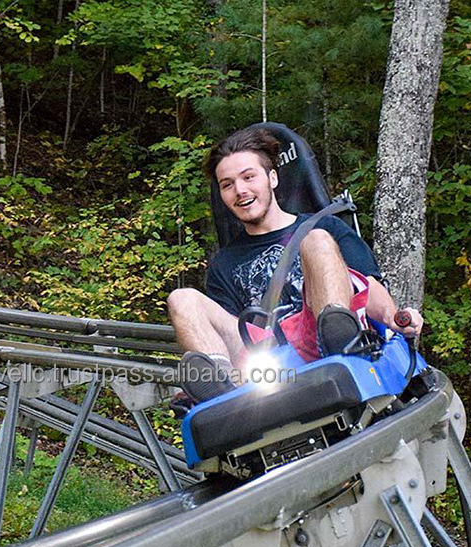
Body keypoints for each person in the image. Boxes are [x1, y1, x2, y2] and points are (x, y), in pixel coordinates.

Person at [168, 127, 423, 403]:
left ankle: (339, 344)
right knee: (181, 298)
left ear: (272, 178)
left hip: (320, 335)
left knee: (316, 240)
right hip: (267, 361)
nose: (240, 190)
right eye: (227, 185)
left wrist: (394, 317)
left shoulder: (326, 226)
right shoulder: (223, 264)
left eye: (249, 177)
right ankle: (220, 387)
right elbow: (230, 332)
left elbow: (367, 287)